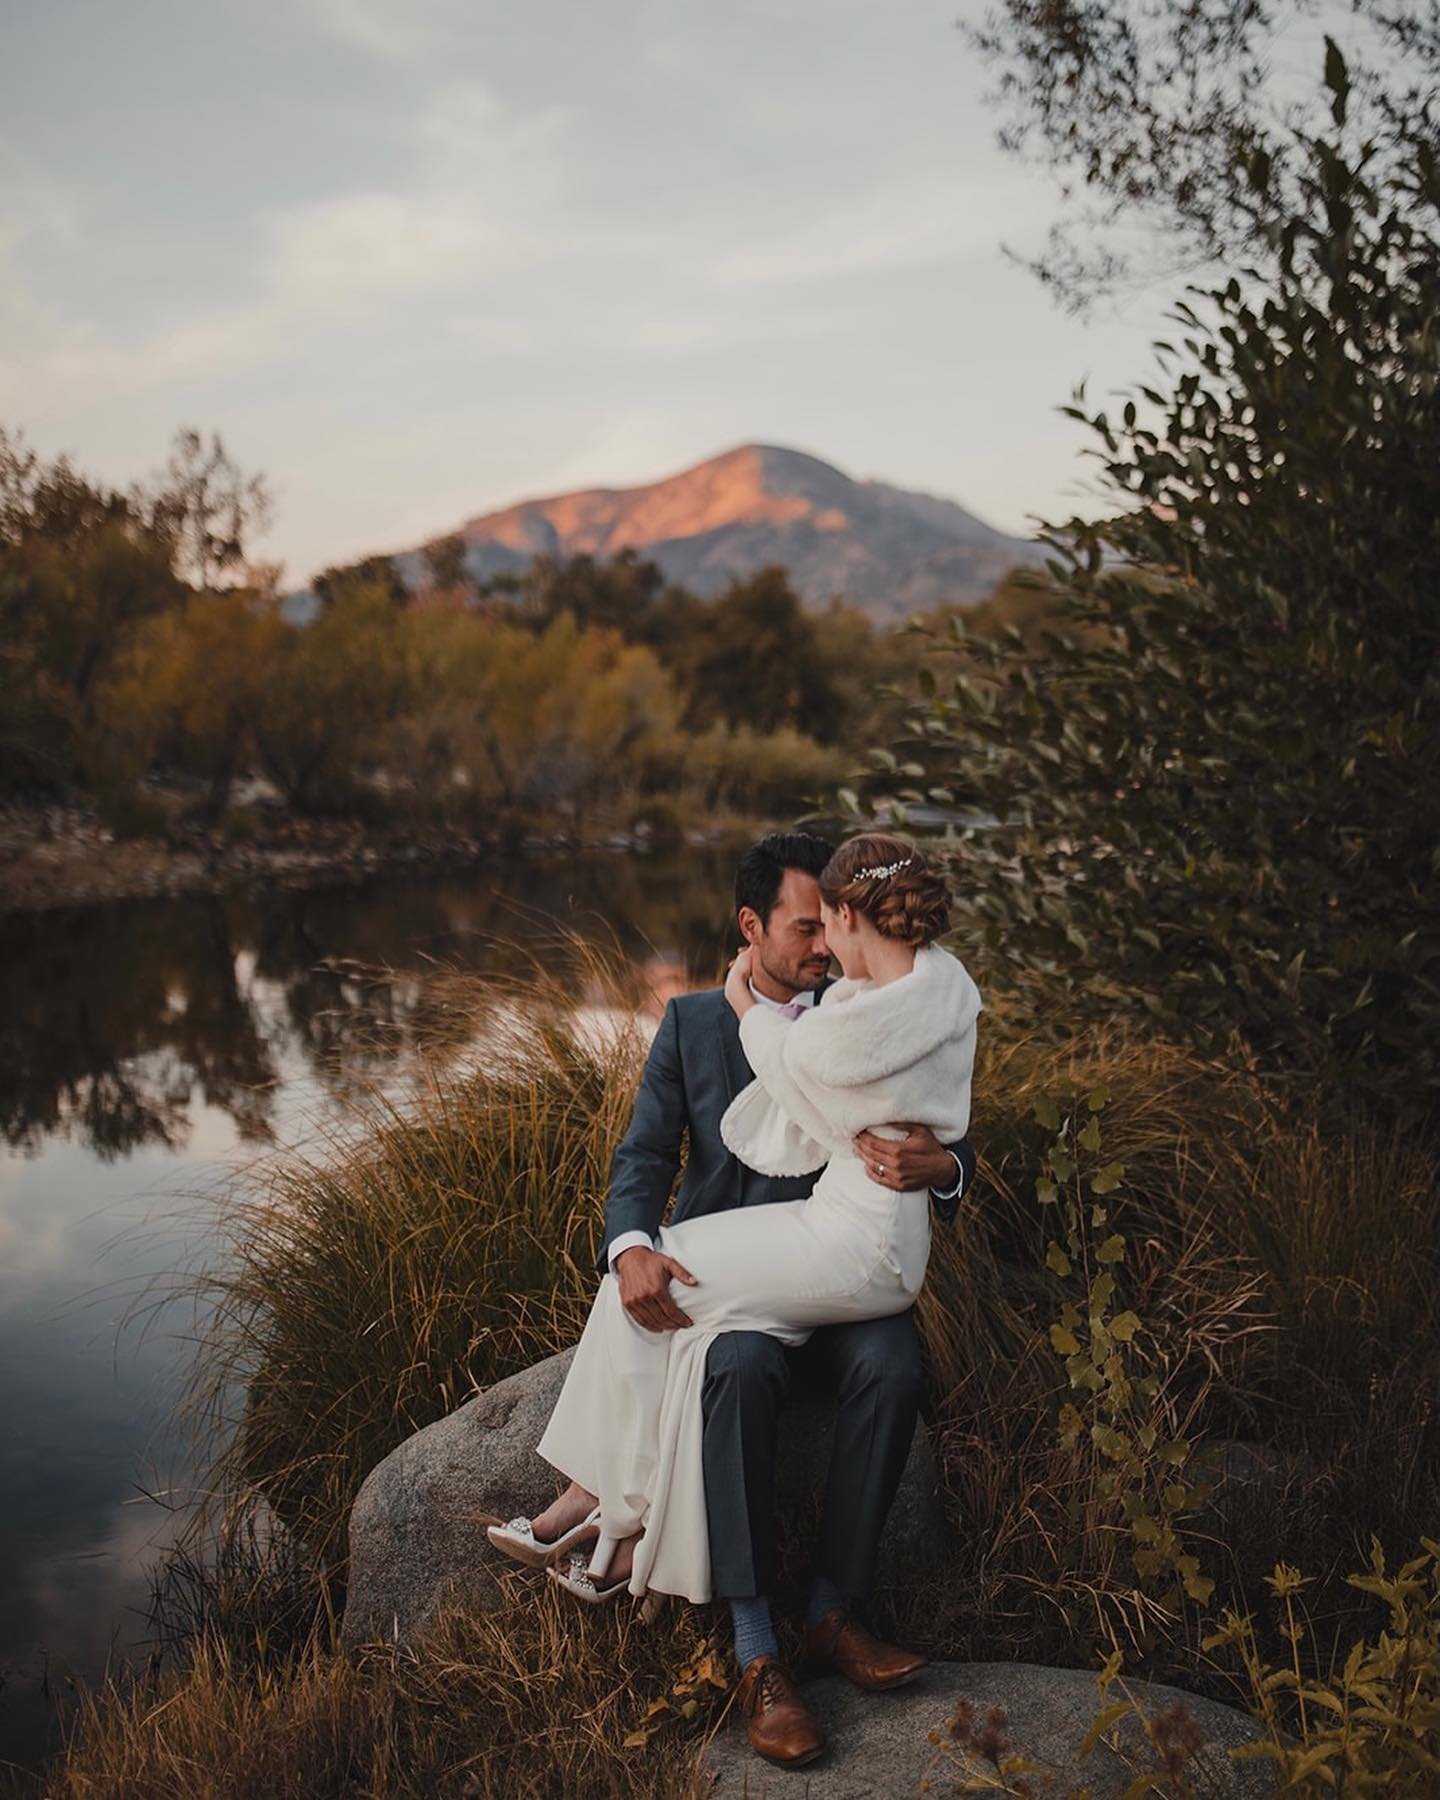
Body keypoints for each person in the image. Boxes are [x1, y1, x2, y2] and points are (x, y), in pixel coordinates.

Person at [488, 832, 981, 1769]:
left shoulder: (867, 991)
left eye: (825, 929)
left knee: (894, 1364)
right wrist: (629, 1248)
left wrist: (946, 1165)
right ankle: (757, 1653)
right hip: (754, 1287)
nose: (819, 952)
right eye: (801, 931)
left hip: (844, 1263)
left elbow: (948, 1119)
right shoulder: (689, 1025)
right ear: (750, 927)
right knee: (733, 1359)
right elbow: (642, 1159)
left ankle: (832, 1610)